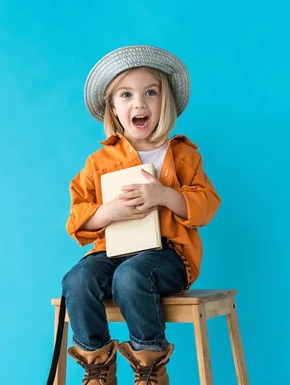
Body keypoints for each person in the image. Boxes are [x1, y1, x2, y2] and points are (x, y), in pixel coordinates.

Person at [62, 45, 221, 385]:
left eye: (151, 92)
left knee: (131, 277)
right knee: (77, 279)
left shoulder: (182, 155)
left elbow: (206, 204)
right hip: (112, 253)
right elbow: (77, 219)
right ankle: (97, 368)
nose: (140, 103)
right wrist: (107, 212)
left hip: (168, 256)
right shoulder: (98, 162)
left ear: (166, 102)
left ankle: (150, 369)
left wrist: (164, 195)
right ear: (114, 108)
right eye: (126, 94)